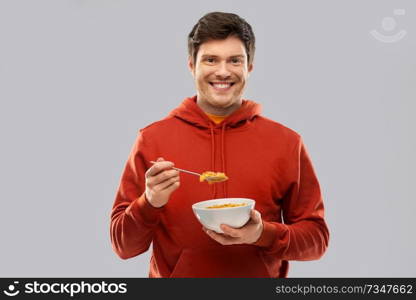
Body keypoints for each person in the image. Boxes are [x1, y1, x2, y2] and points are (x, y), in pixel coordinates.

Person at [110, 11, 329, 278]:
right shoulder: (152, 139)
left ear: (249, 67)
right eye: (211, 60)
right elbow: (123, 246)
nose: (223, 72)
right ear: (192, 65)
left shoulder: (286, 142)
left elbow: (317, 240)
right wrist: (150, 202)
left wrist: (262, 233)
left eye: (234, 60)